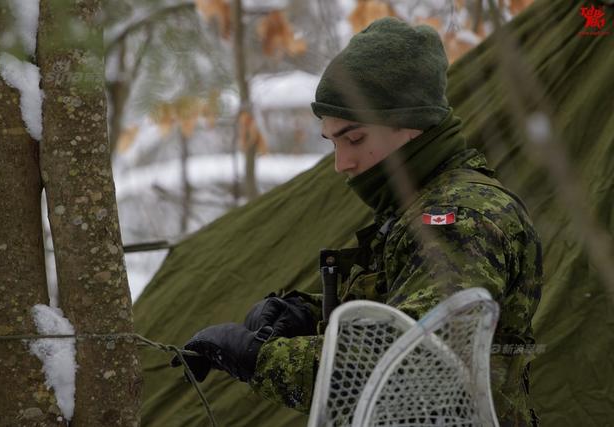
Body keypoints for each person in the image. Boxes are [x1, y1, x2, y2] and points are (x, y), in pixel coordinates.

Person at [172, 17, 542, 426]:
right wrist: (307, 314)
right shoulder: (417, 204)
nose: (341, 163)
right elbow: (399, 306)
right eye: (332, 142)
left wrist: (259, 359)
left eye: (355, 139)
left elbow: (410, 365)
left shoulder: (459, 217)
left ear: (411, 126)